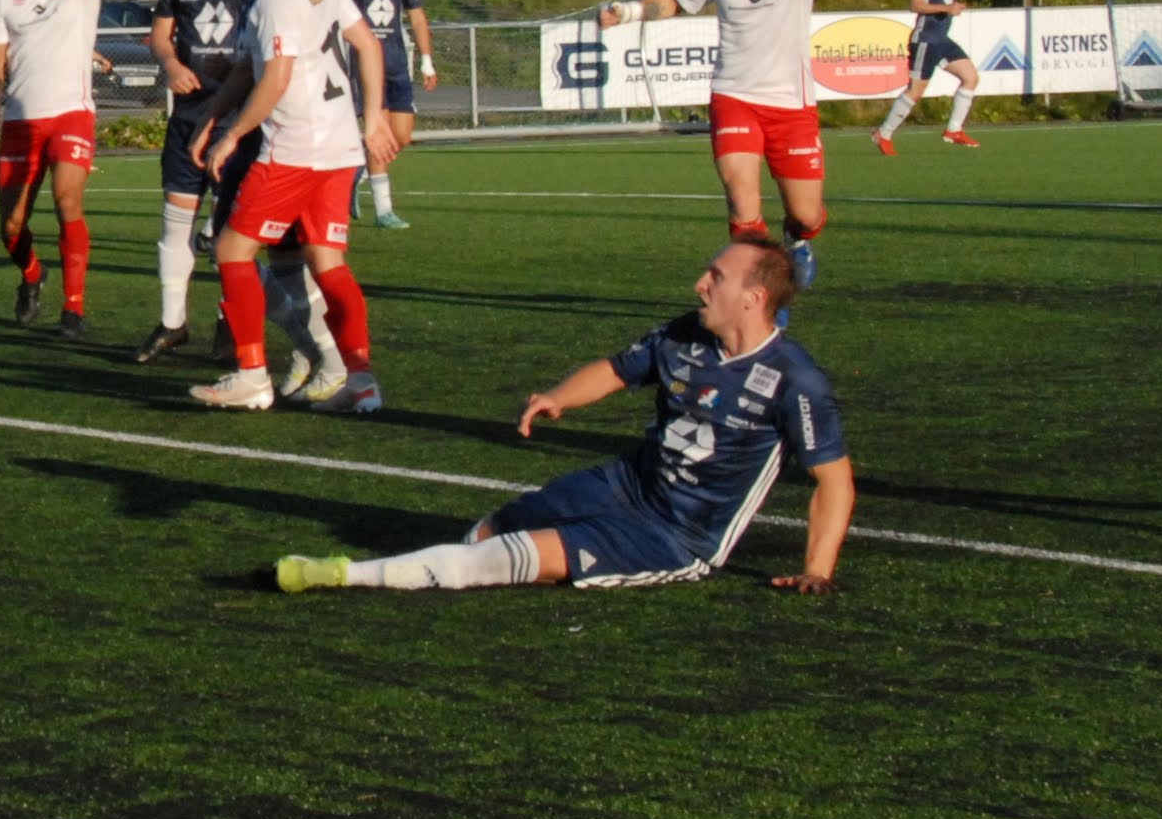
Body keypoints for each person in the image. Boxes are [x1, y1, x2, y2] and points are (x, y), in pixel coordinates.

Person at [273, 233, 852, 595]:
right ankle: (437, 561)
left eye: (716, 277)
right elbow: (617, 369)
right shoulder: (684, 336)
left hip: (675, 536)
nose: (700, 284)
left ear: (753, 298)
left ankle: (345, 574)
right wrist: (558, 397)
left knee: (498, 561)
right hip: (626, 482)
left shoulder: (794, 380)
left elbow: (834, 480)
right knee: (494, 526)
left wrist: (818, 570)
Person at [189, 0, 394, 414]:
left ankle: (251, 376)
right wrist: (371, 121)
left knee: (231, 251)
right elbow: (366, 43)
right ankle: (360, 381)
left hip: (295, 148)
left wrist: (232, 134)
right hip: (339, 147)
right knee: (329, 263)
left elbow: (275, 78)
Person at [598, 0, 854, 292]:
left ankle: (796, 240)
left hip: (792, 106)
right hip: (734, 97)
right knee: (742, 200)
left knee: (806, 215)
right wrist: (627, 12)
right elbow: (677, 2)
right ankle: (760, 296)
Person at [140, 0, 260, 365]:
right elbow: (160, 35)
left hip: (240, 120)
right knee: (176, 220)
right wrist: (170, 64)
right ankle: (173, 323)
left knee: (233, 231)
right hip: (189, 114)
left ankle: (230, 323)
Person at [0, 0, 115, 333]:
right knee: (10, 226)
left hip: (71, 113)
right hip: (21, 118)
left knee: (66, 199)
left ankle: (74, 308)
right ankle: (33, 275)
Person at [331, 0, 440, 227]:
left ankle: (358, 171)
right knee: (378, 132)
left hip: (396, 62)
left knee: (401, 136)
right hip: (365, 64)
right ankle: (384, 211)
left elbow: (416, 16)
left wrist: (427, 61)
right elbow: (328, 11)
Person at [873, 0, 981, 155]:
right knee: (915, 90)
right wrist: (947, 8)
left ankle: (953, 130)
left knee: (970, 77)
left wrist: (953, 6)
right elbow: (915, 5)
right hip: (925, 40)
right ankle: (883, 133)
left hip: (942, 40)